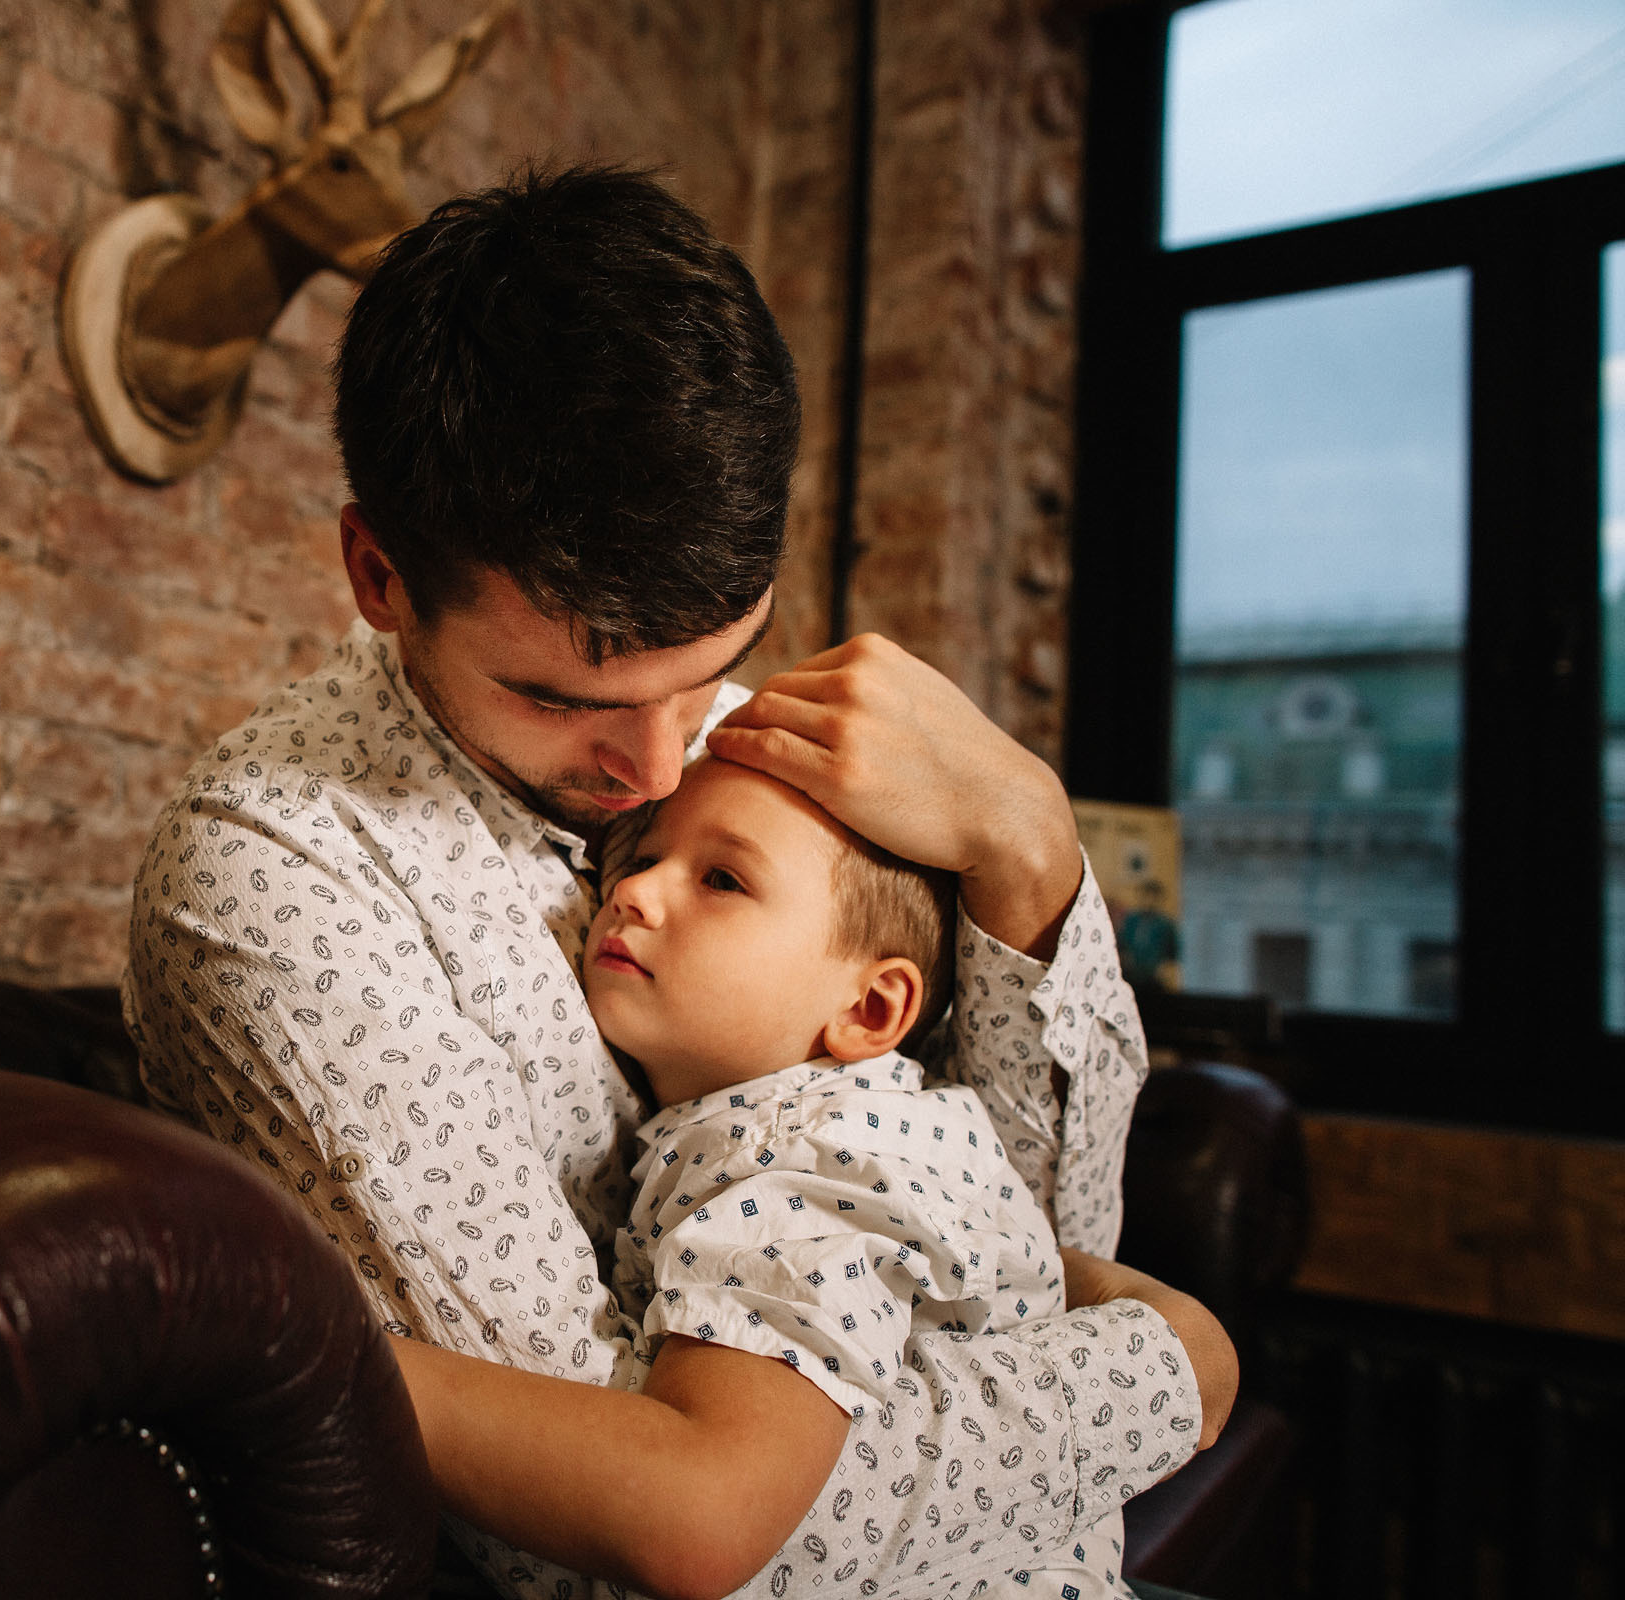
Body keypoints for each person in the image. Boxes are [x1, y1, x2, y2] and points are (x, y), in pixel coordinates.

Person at [123, 164, 1224, 1598]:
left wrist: (1027, 840)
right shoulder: (283, 885)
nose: (656, 768)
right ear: (378, 574)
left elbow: (994, 1252)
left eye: (708, 668)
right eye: (562, 699)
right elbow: (621, 1542)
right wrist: (1160, 1379)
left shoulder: (749, 754)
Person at [384, 755, 1235, 1599]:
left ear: (869, 1010)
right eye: (643, 860)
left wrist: (340, 1357)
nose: (633, 894)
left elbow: (702, 1513)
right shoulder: (877, 1125)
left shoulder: (798, 1162)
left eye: (721, 879)